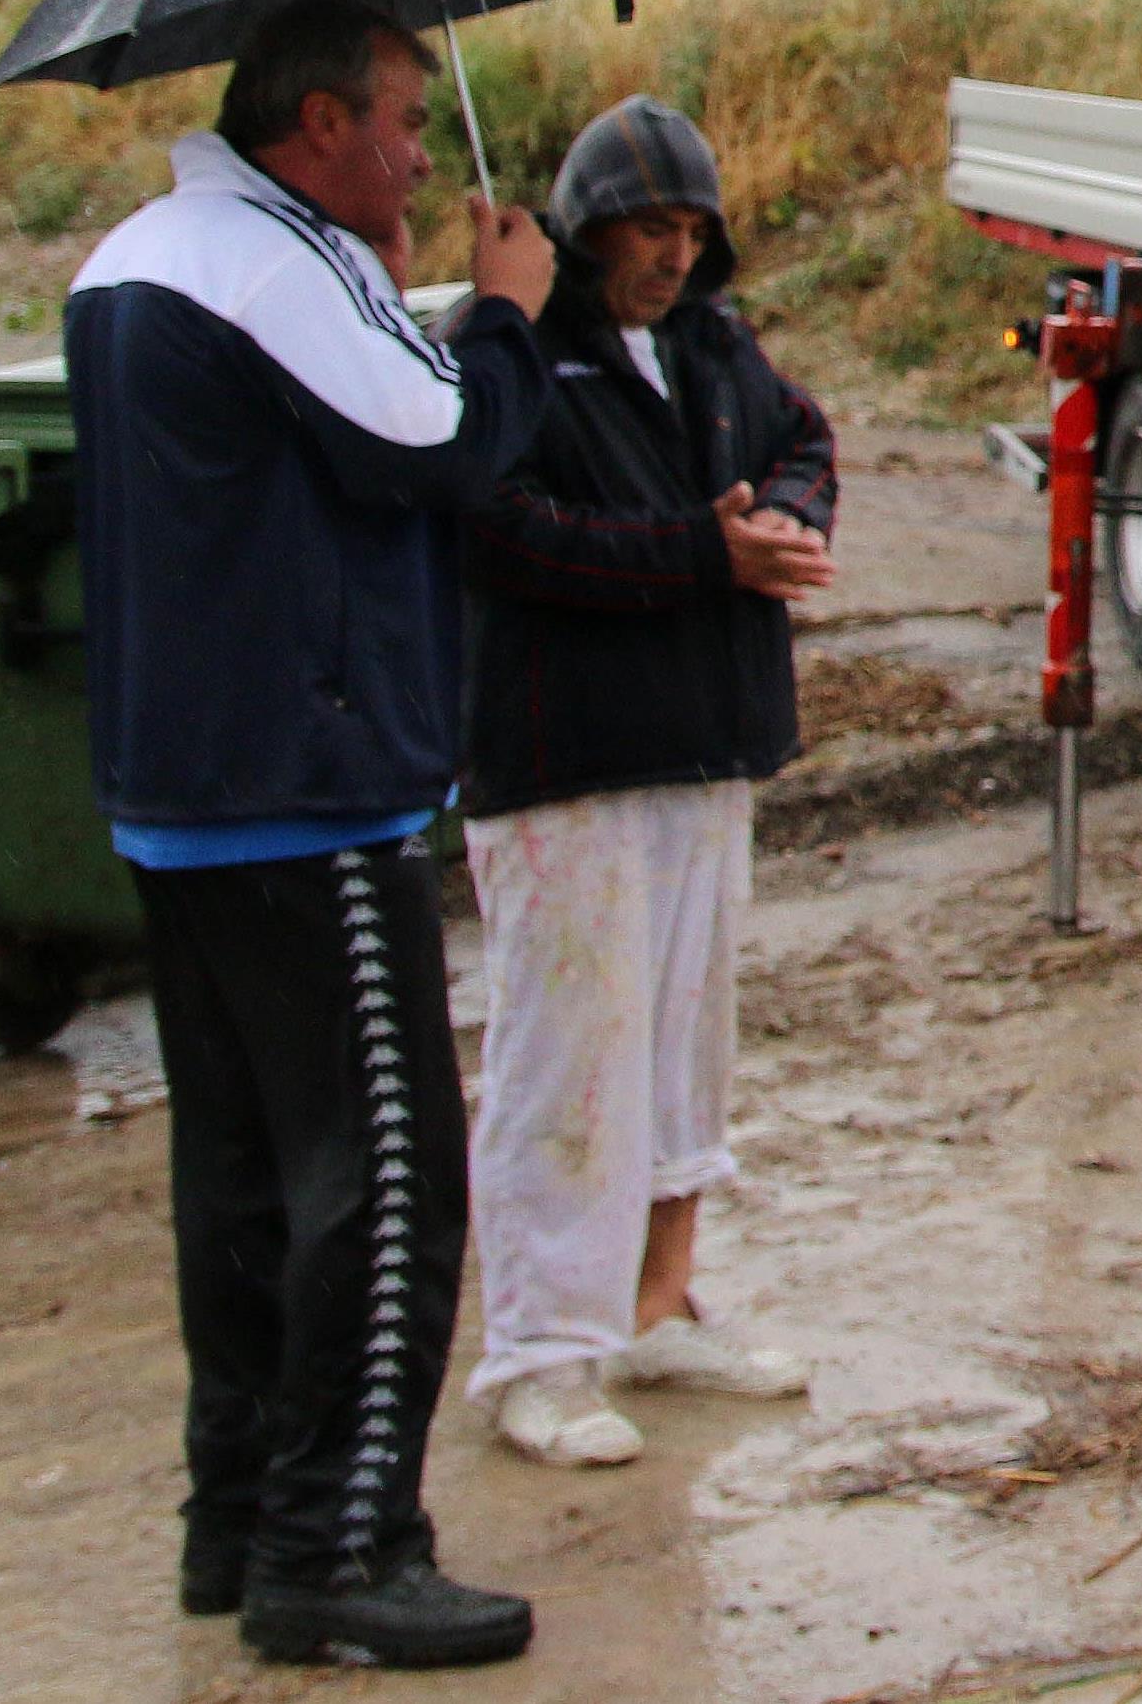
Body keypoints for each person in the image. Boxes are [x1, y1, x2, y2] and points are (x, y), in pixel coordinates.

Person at [67, 0, 558, 1670]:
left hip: (188, 795)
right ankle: (342, 1548)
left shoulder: (150, 253)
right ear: (321, 121)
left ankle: (240, 1522)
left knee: (249, 1182)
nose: (424, 155)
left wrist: (421, 299)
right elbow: (442, 441)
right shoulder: (271, 265)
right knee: (387, 1175)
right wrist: (504, 317)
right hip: (306, 790)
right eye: (406, 122)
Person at [459, 97, 837, 1468]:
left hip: (704, 744)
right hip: (566, 766)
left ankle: (654, 1306)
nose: (671, 258)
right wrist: (703, 555)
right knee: (565, 1061)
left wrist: (790, 518)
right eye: (645, 229)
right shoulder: (507, 354)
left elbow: (805, 440)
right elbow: (494, 529)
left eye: (690, 230)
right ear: (582, 224)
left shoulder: (713, 345)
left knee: (682, 1051)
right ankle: (538, 1357)